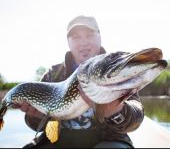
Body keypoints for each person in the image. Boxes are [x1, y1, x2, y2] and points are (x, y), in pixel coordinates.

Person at [19, 15, 144, 148]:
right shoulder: (53, 74)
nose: (83, 42)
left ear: (100, 37)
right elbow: (33, 124)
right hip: (58, 140)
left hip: (108, 139)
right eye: (76, 37)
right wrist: (37, 116)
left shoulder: (114, 67)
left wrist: (115, 111)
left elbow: (136, 117)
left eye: (89, 35)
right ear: (68, 42)